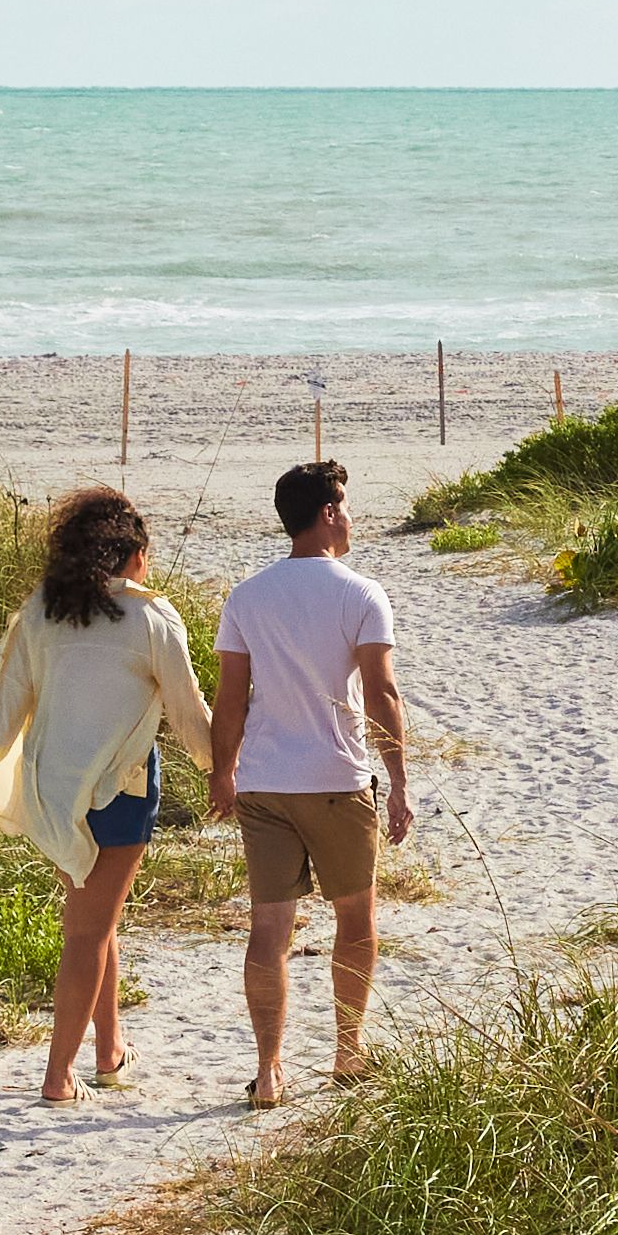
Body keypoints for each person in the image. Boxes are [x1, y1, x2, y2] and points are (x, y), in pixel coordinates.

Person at [0, 484, 205, 1105]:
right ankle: (58, 1075)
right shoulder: (151, 617)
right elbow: (187, 711)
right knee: (89, 930)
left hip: (53, 790)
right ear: (130, 557)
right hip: (118, 790)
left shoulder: (41, 609)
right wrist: (219, 770)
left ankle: (108, 1053)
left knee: (98, 918)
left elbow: (2, 703)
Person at [207, 455, 412, 1104]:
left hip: (265, 783)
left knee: (269, 929)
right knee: (355, 920)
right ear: (327, 513)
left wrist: (222, 773)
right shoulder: (360, 592)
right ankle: (347, 1053)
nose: (349, 518)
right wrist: (399, 778)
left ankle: (269, 1071)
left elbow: (230, 699)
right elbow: (381, 692)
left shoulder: (248, 594)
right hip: (336, 779)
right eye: (344, 506)